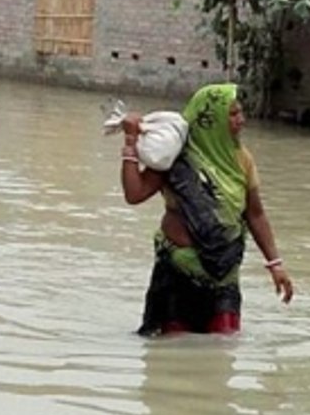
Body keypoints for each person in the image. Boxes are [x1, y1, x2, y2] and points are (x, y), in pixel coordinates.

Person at [120, 83, 293, 336]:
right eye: (232, 114)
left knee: (223, 347)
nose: (241, 120)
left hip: (224, 275)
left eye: (240, 113)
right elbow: (134, 194)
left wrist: (275, 265)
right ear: (210, 119)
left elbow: (255, 214)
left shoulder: (242, 160)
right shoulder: (174, 156)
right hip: (177, 273)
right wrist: (130, 143)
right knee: (172, 350)